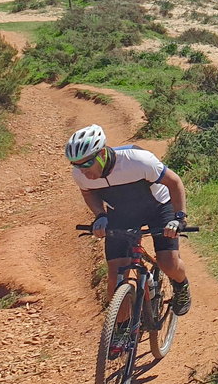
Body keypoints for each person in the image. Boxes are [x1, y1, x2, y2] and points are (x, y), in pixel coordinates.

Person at [66, 125, 193, 351]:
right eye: (76, 165)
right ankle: (123, 328)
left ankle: (181, 285)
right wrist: (100, 216)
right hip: (121, 214)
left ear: (102, 153)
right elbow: (88, 193)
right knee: (115, 276)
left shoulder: (137, 161)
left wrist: (179, 218)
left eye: (87, 163)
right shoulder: (80, 175)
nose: (82, 170)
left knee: (168, 262)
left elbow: (175, 182)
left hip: (158, 207)